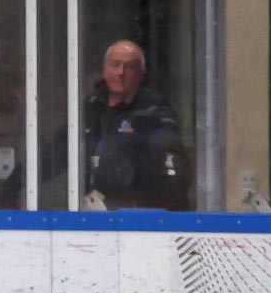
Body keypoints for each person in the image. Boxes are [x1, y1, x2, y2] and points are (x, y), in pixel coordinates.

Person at [81, 39, 191, 210]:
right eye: (115, 64)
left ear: (141, 73)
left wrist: (162, 210)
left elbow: (172, 160)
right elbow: (64, 148)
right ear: (104, 69)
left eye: (129, 66)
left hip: (136, 213)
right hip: (93, 211)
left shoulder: (155, 109)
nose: (120, 72)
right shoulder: (91, 106)